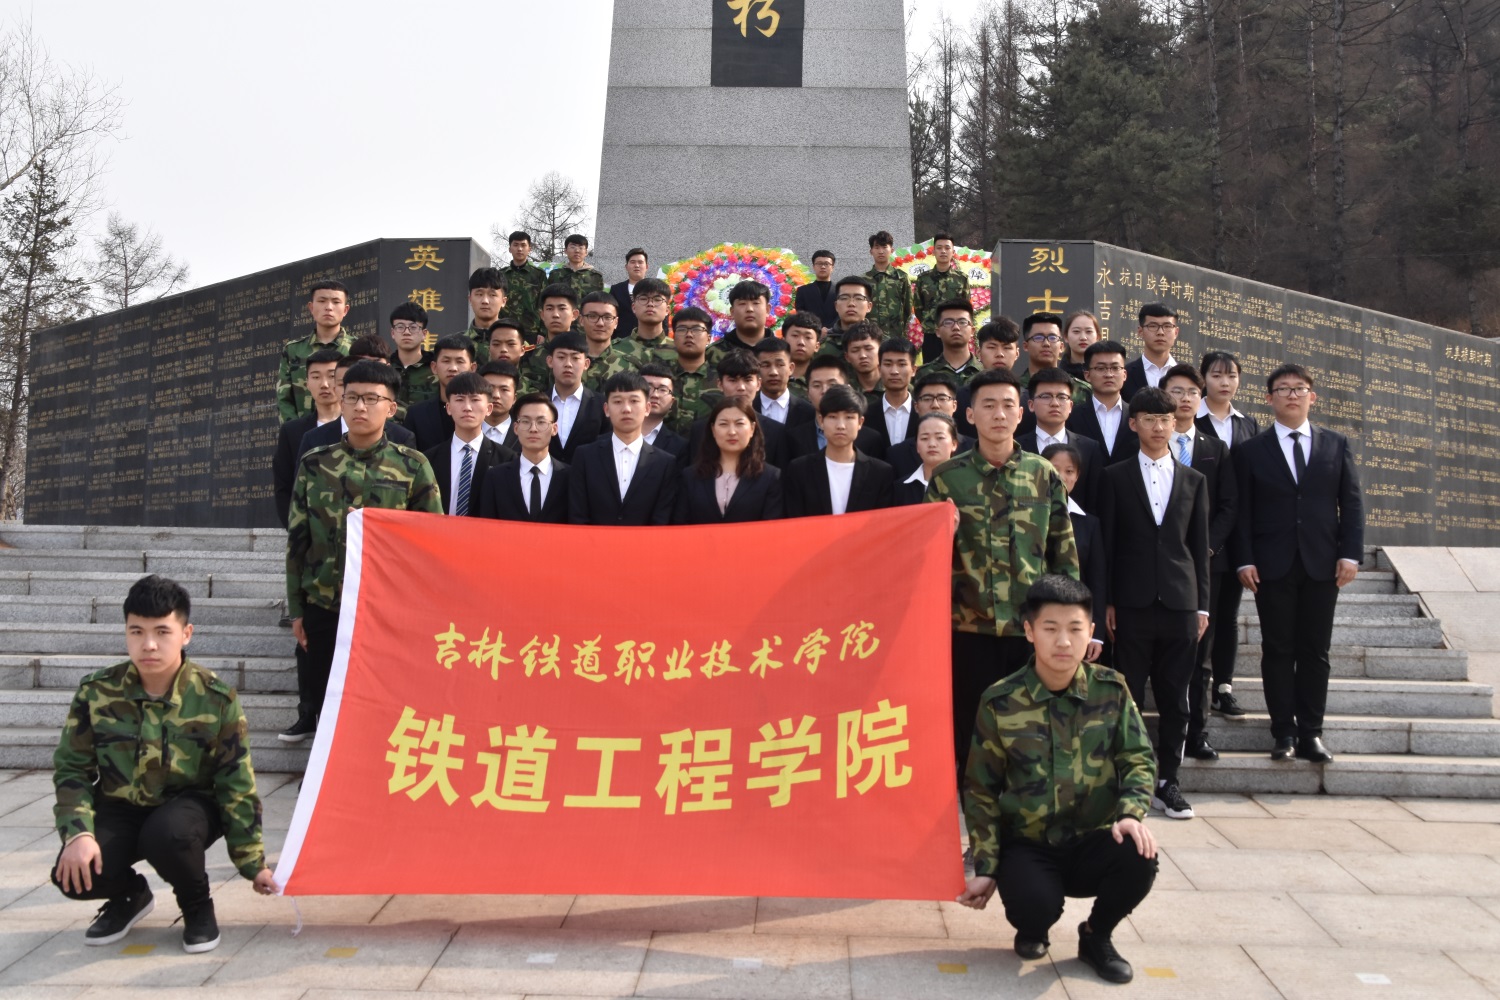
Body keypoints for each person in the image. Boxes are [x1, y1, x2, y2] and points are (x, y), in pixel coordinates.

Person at [51, 575, 276, 955]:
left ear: (186, 634)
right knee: (74, 874)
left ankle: (197, 905)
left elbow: (236, 781)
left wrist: (253, 863)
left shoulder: (215, 697)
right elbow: (72, 768)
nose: (149, 644)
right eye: (136, 632)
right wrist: (78, 834)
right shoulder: (96, 692)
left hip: (189, 808)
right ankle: (130, 895)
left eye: (162, 632)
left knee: (167, 835)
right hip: (121, 806)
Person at [957, 574, 1157, 985]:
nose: (1063, 642)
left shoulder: (1112, 691)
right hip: (1029, 846)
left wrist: (1130, 814)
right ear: (1029, 631)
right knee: (1032, 906)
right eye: (1050, 629)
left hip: (1093, 839)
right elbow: (981, 789)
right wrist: (987, 864)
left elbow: (1137, 758)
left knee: (1140, 855)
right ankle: (1034, 927)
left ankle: (1096, 935)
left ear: (1091, 632)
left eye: (1075, 629)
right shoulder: (1001, 701)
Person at [925, 366, 1079, 781]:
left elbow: (1063, 553)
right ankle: (976, 810)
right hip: (967, 629)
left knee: (1031, 732)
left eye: (1008, 405)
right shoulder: (947, 479)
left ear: (1021, 413)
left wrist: (1068, 623)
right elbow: (927, 560)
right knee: (971, 732)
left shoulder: (1043, 474)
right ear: (969, 415)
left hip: (1028, 629)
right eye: (988, 405)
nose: (998, 414)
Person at [283, 360, 443, 743]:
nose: (359, 407)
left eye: (371, 399)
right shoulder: (315, 464)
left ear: (391, 408)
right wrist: (297, 609)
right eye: (352, 397)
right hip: (326, 606)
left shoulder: (412, 466)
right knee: (327, 702)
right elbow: (297, 541)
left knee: (386, 704)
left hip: (388, 610)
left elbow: (432, 543)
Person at [1234, 363, 1364, 764]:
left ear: (1312, 397)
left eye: (1299, 388)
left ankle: (1311, 733)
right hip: (1271, 565)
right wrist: (1244, 559)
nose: (1292, 394)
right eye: (1283, 389)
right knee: (1277, 649)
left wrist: (1350, 553)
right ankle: (1283, 733)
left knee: (1315, 650)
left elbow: (1351, 502)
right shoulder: (1250, 450)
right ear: (1269, 398)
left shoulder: (1336, 444)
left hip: (1322, 564)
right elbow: (1242, 511)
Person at [1098, 387, 1210, 821]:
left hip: (1181, 602)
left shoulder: (1194, 480)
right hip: (1131, 602)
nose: (1159, 426)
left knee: (1176, 697)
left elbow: (1198, 548)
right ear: (1134, 424)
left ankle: (1169, 782)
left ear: (1175, 424)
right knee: (1127, 694)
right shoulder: (1114, 476)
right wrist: (1107, 601)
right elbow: (1107, 545)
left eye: (1166, 419)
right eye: (1149, 419)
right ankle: (1128, 779)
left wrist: (1202, 605)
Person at [1162, 364, 1239, 760]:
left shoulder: (1215, 448)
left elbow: (1229, 504)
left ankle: (1198, 732)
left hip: (1207, 565)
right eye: (1177, 391)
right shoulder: (1147, 442)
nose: (1185, 398)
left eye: (1192, 391)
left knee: (1201, 653)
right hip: (1160, 565)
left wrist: (1207, 546)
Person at [1195, 350, 1259, 717]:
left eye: (1231, 375)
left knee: (1228, 616)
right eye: (1217, 375)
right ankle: (1198, 686)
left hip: (1236, 533)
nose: (1224, 382)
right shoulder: (1191, 419)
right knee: (1204, 614)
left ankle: (1224, 686)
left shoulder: (1248, 424)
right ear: (1204, 379)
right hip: (1201, 531)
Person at [568, 371, 679, 525]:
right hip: (593, 540)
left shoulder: (664, 463)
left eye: (634, 401)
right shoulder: (585, 456)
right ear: (606, 409)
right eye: (618, 401)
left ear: (647, 408)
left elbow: (661, 519)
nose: (626, 409)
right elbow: (578, 514)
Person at [783, 385, 894, 516]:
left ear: (860, 422)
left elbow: (883, 521)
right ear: (821, 421)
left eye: (849, 417)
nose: (840, 426)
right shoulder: (800, 470)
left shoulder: (880, 473)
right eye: (833, 417)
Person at [1041, 443, 1106, 663]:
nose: (1061, 477)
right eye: (1054, 469)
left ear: (1077, 476)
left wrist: (1096, 633)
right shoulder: (1026, 515)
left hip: (1074, 622)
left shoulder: (1090, 524)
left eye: (1069, 471)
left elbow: (1096, 580)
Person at [676, 396, 784, 523]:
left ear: (752, 429)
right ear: (713, 430)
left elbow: (772, 528)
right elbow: (681, 525)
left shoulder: (770, 477)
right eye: (723, 424)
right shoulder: (691, 476)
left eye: (739, 424)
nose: (732, 432)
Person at [424, 372, 515, 517]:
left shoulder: (507, 459)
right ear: (448, 408)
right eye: (459, 399)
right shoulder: (429, 459)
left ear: (489, 408)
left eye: (475, 400)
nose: (467, 407)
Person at [1017, 367, 1105, 516]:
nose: (1055, 403)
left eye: (1062, 397)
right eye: (1046, 396)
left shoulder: (1089, 448)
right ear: (1031, 405)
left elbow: (1094, 503)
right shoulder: (1017, 447)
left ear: (1070, 406)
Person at [273, 348, 343, 528]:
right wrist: (296, 530)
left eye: (331, 376)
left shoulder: (358, 427)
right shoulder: (292, 432)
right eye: (316, 377)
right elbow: (284, 487)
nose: (324, 384)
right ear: (307, 384)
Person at [478, 393, 571, 523]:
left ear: (554, 429)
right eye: (526, 421)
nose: (533, 429)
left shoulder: (570, 477)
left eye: (541, 422)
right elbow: (487, 525)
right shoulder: (496, 477)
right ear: (516, 428)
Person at [275, 280, 352, 422]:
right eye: (322, 301)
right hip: (304, 431)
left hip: (349, 430)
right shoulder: (293, 350)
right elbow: (284, 398)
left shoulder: (357, 349)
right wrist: (295, 430)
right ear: (311, 307)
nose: (328, 307)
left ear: (345, 310)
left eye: (336, 302)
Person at [787, 355, 888, 461]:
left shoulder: (871, 439)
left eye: (832, 384)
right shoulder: (794, 438)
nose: (824, 391)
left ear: (848, 388)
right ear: (808, 393)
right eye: (817, 385)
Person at [590, 277, 675, 386]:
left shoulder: (680, 352)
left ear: (667, 310)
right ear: (634, 307)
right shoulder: (612, 351)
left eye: (657, 299)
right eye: (644, 298)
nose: (650, 304)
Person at [887, 373, 973, 479]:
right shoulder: (897, 454)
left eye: (942, 398)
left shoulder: (975, 449)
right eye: (927, 399)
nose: (935, 405)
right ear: (916, 406)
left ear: (954, 405)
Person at [1067, 341, 1138, 464]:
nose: (1109, 374)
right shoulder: (1072, 417)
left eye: (1115, 368)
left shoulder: (1137, 416)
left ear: (1124, 374)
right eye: (1100, 368)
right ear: (1087, 375)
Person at [404, 334, 477, 453]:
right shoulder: (417, 414)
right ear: (434, 367)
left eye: (460, 361)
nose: (453, 368)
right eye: (446, 361)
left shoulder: (482, 412)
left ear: (472, 368)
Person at [545, 331, 605, 463]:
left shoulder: (601, 405)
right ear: (550, 361)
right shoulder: (537, 404)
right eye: (561, 357)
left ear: (586, 364)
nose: (568, 364)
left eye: (575, 358)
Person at [914, 233, 970, 364]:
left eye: (947, 248)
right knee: (931, 370)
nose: (943, 251)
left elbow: (966, 307)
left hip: (955, 333)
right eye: (939, 248)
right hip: (931, 334)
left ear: (953, 252)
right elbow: (918, 307)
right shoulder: (923, 279)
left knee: (955, 369)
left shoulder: (961, 279)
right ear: (933, 252)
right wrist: (930, 323)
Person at [664, 306, 719, 434]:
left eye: (697, 329)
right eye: (682, 329)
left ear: (709, 338)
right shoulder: (660, 379)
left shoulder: (720, 381)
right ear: (673, 337)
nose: (689, 335)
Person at [521, 284, 583, 391]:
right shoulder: (529, 355)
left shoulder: (582, 355)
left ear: (574, 314)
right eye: (549, 309)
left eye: (562, 308)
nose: (555, 315)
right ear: (542, 315)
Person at [894, 412, 960, 505]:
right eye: (924, 438)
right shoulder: (900, 488)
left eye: (940, 437)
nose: (932, 444)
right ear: (917, 446)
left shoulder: (969, 482)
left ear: (954, 444)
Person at [1122, 304, 1180, 401]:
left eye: (1167, 326)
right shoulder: (1125, 375)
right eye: (1153, 326)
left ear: (1176, 332)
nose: (1160, 332)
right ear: (1140, 332)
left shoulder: (1188, 377)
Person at [707, 280, 772, 365]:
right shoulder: (713, 353)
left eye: (756, 303)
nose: (749, 309)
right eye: (742, 303)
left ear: (767, 310)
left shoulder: (782, 351)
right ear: (732, 312)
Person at [915, 300, 981, 384]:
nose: (956, 327)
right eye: (948, 322)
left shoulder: (985, 372)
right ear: (938, 332)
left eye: (962, 322)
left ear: (972, 331)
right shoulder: (924, 374)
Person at [499, 231, 550, 341]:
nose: (519, 249)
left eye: (523, 245)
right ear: (510, 249)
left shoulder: (538, 274)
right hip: (505, 329)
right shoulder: (501, 275)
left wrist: (543, 332)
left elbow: (545, 303)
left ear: (529, 249)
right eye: (516, 245)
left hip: (532, 332)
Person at [753, 337, 815, 426]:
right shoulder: (748, 409)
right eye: (765, 365)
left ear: (791, 368)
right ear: (756, 369)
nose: (773, 372)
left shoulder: (809, 412)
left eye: (780, 365)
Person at [864, 230, 913, 340]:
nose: (881, 251)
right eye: (877, 247)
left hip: (895, 336)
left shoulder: (902, 277)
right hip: (870, 336)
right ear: (871, 251)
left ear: (892, 250)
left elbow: (908, 308)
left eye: (884, 247)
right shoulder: (864, 280)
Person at [387, 302, 437, 408]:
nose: (406, 332)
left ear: (424, 334)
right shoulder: (385, 367)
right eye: (400, 327)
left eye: (413, 327)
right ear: (392, 333)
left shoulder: (436, 368)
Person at [873, 337, 918, 450]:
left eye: (902, 364)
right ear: (879, 369)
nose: (894, 371)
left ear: (913, 370)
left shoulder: (923, 413)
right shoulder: (866, 414)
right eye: (888, 364)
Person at [548, 234, 605, 319]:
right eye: (573, 247)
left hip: (585, 322)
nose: (577, 251)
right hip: (560, 320)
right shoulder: (555, 274)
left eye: (581, 247)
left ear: (586, 252)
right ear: (565, 251)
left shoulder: (596, 277)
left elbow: (599, 303)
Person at [460, 267, 509, 363]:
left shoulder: (516, 345)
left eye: (492, 295)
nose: (485, 301)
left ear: (503, 301)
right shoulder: (456, 344)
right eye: (479, 294)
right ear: (470, 299)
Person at [639, 362, 688, 457]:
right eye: (648, 387)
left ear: (672, 402)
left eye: (663, 390)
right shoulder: (612, 434)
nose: (655, 395)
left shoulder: (680, 446)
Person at [821, 275, 875, 355]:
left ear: (869, 307)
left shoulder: (880, 344)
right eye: (844, 298)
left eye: (859, 298)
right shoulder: (820, 346)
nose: (851, 304)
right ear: (836, 306)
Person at [478, 359, 522, 451]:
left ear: (514, 398)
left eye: (504, 389)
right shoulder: (461, 428)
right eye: (490, 388)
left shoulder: (524, 433)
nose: (496, 395)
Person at [610, 247, 650, 338]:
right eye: (632, 262)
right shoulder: (616, 289)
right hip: (622, 339)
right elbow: (611, 315)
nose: (637, 265)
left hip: (649, 339)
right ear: (626, 267)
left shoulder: (654, 289)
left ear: (647, 267)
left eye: (640, 262)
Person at [794, 249, 839, 327]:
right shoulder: (803, 291)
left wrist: (830, 329)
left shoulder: (840, 290)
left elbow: (842, 313)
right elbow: (801, 315)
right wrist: (817, 329)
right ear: (814, 266)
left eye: (826, 264)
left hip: (835, 331)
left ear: (832, 267)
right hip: (811, 330)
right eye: (819, 263)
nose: (823, 267)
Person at [578, 290, 620, 372]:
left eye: (607, 317)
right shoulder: (568, 363)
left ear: (616, 322)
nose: (600, 323)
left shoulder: (630, 366)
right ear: (581, 320)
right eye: (592, 316)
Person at [782, 311, 822, 395]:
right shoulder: (773, 375)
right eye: (795, 335)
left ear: (817, 346)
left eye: (808, 337)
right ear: (783, 341)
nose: (801, 342)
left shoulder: (823, 379)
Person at [1019, 312, 1065, 377]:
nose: (1046, 343)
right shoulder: (1013, 384)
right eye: (1038, 338)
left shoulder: (1074, 383)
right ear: (1026, 346)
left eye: (1052, 338)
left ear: (1061, 347)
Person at [842, 322, 883, 394]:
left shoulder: (896, 385)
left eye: (868, 349)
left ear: (881, 351)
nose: (862, 355)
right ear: (847, 357)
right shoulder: (844, 391)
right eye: (855, 350)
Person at [1061, 310, 1101, 378]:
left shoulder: (1106, 375)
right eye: (1076, 331)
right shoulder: (1058, 376)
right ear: (1066, 337)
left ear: (1098, 337)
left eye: (1088, 331)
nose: (1083, 337)